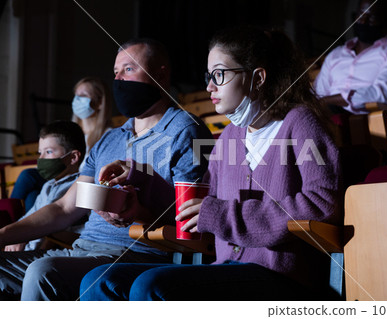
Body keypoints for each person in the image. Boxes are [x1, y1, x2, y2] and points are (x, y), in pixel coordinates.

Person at [80, 26, 342, 301]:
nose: (209, 87)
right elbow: (198, 209)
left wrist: (224, 215)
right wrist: (138, 187)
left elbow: (323, 203)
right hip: (227, 270)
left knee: (151, 285)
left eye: (219, 74)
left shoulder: (300, 123)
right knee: (100, 281)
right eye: (209, 76)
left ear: (258, 78)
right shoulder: (230, 135)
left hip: (282, 277)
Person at [0, 38, 212, 301]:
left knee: (43, 271)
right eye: (115, 72)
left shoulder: (187, 130)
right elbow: (64, 208)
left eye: (129, 69)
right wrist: (4, 235)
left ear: (160, 73)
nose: (119, 80)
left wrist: (138, 211)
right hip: (81, 250)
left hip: (136, 254)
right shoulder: (110, 139)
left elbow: (191, 216)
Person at [10, 77, 113, 212]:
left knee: (28, 175)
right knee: (32, 196)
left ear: (100, 102)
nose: (77, 100)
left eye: (83, 96)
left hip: (79, 184)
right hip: (58, 178)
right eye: (76, 95)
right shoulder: (69, 132)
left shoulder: (108, 136)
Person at [314, 0, 387, 114]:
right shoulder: (335, 54)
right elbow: (318, 93)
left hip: (365, 116)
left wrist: (329, 101)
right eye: (360, 14)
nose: (363, 21)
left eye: (371, 18)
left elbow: (380, 94)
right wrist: (322, 102)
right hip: (326, 114)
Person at [4, 120, 86, 252]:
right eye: (39, 153)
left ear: (73, 157)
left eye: (48, 152)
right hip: (25, 251)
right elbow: (29, 218)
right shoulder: (48, 185)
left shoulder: (79, 186)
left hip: (47, 254)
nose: (41, 159)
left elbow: (69, 230)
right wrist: (15, 235)